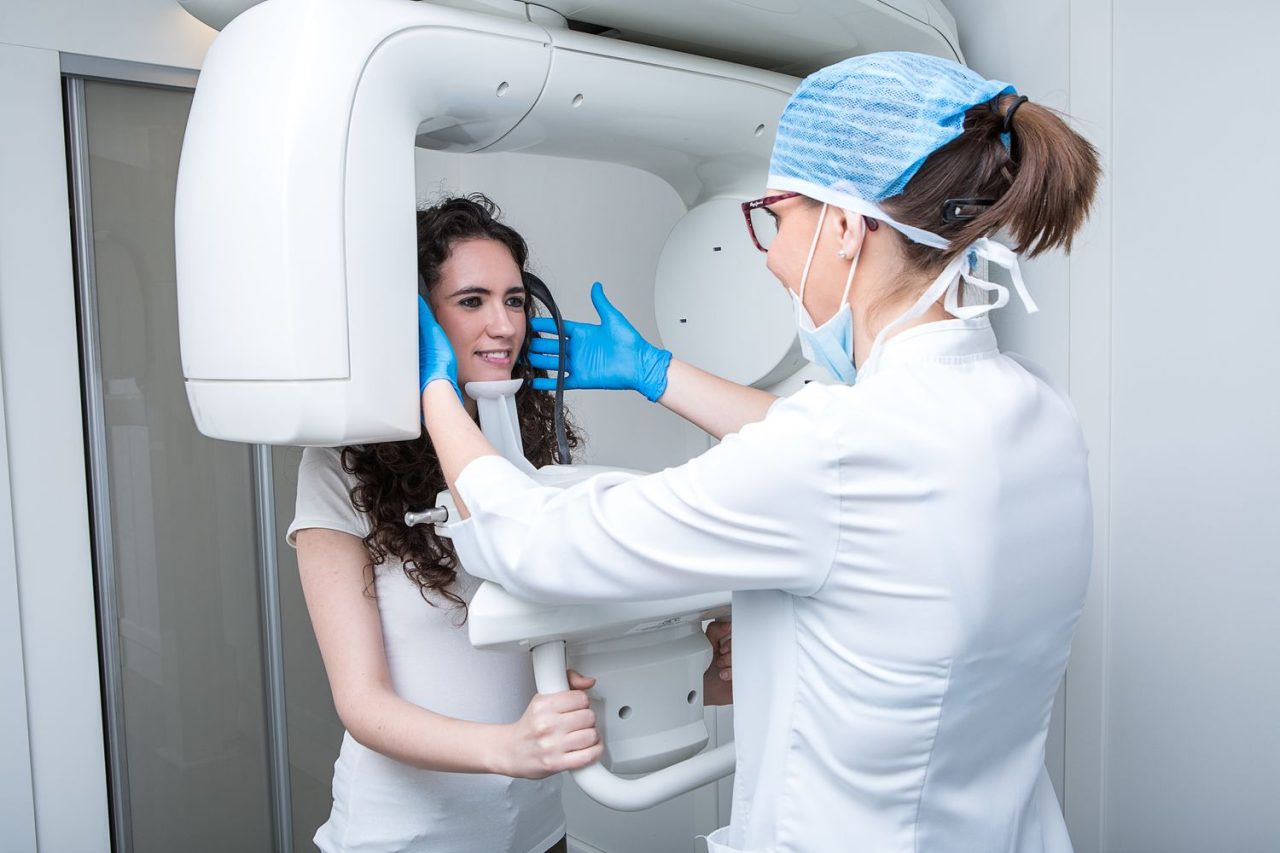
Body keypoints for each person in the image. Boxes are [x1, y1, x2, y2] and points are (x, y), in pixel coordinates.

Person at [416, 53, 1101, 852]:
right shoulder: (1036, 408)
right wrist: (657, 373)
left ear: (846, 228)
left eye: (776, 218)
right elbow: (824, 449)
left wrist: (434, 389)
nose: (772, 256)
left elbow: (536, 539)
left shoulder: (837, 452)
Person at [289, 195, 601, 853]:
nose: (504, 325)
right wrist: (506, 746)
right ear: (417, 320)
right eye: (472, 301)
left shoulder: (529, 441)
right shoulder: (340, 464)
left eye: (515, 300)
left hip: (539, 828)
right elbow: (362, 702)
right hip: (405, 836)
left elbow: (548, 626)